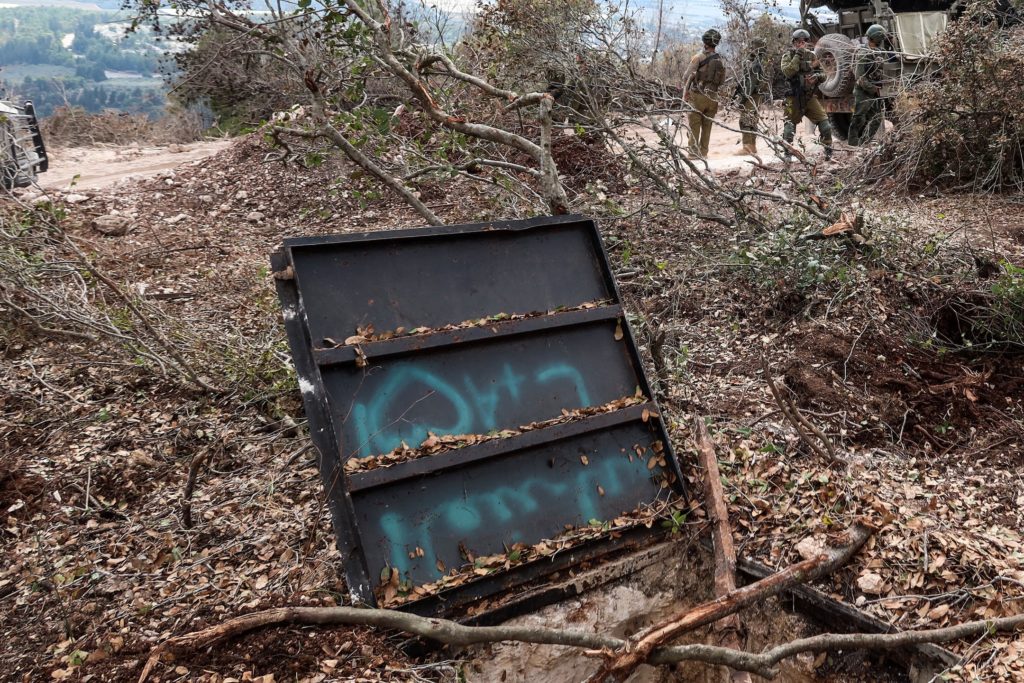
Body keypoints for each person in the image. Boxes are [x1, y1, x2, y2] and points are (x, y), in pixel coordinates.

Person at [780, 28, 833, 160]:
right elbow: (788, 72)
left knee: (825, 125)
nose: (801, 44)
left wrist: (816, 77)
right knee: (789, 127)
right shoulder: (788, 56)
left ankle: (828, 151)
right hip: (793, 97)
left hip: (809, 97)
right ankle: (787, 154)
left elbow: (824, 74)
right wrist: (798, 55)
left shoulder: (812, 56)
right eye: (798, 41)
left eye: (804, 41)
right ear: (794, 42)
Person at [683, 29, 726, 158]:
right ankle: (704, 152)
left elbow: (686, 76)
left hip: (698, 95)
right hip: (713, 97)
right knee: (707, 126)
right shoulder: (720, 59)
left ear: (705, 43)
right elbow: (722, 80)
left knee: (695, 124)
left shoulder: (698, 57)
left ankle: (693, 153)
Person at [848, 24, 887, 146]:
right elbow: (860, 78)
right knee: (859, 118)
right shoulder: (863, 53)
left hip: (875, 90)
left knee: (876, 119)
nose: (882, 41)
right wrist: (873, 89)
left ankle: (865, 142)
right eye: (881, 38)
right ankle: (853, 144)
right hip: (863, 92)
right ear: (876, 38)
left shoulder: (879, 52)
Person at [734, 37, 768, 156]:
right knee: (753, 120)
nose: (750, 49)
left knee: (745, 121)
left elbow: (750, 83)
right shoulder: (763, 61)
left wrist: (743, 98)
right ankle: (752, 146)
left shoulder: (755, 64)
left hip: (751, 94)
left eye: (752, 47)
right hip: (758, 95)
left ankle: (747, 147)